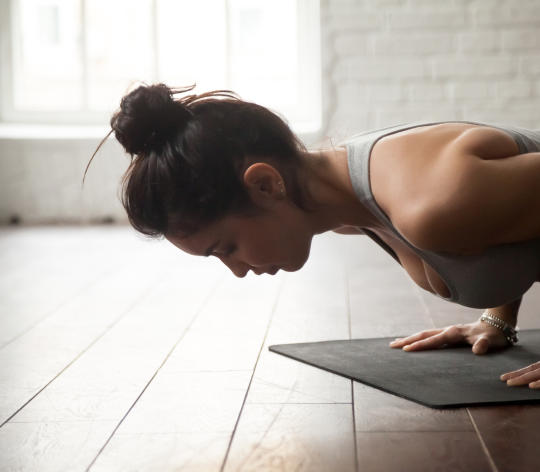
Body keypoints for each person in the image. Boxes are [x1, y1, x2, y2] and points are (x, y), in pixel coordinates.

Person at [89, 83, 540, 389]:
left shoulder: (429, 204)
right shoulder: (348, 204)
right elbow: (513, 219)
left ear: (265, 185)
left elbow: (469, 208)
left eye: (225, 248)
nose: (238, 271)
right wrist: (498, 317)